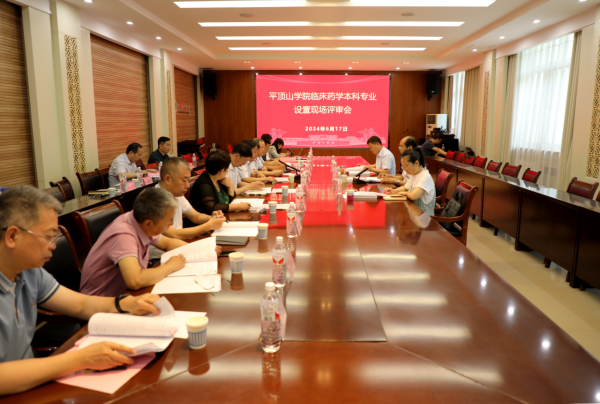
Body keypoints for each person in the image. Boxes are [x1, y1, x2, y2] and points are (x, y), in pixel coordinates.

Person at [0, 186, 162, 396]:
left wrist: (124, 303)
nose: (53, 245)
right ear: (12, 236)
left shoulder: (31, 272)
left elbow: (80, 304)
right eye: (48, 236)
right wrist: (80, 359)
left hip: (31, 385)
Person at [80, 187, 211, 297]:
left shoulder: (139, 221)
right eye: (169, 221)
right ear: (149, 223)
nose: (172, 224)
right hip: (101, 304)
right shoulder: (123, 235)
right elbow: (135, 280)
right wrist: (171, 266)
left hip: (127, 296)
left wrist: (200, 250)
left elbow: (167, 243)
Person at [149, 158, 226, 260]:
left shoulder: (177, 194)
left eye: (188, 181)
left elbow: (196, 216)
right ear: (168, 179)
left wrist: (213, 218)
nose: (187, 185)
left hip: (178, 249)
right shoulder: (155, 199)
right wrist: (208, 226)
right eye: (184, 180)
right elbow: (173, 234)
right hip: (160, 257)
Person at [385, 148, 436, 216]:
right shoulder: (414, 174)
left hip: (424, 217)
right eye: (403, 167)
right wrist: (394, 191)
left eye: (406, 166)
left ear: (416, 163)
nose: (405, 170)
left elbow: (414, 196)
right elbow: (405, 187)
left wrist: (404, 193)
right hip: (415, 213)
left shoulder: (425, 177)